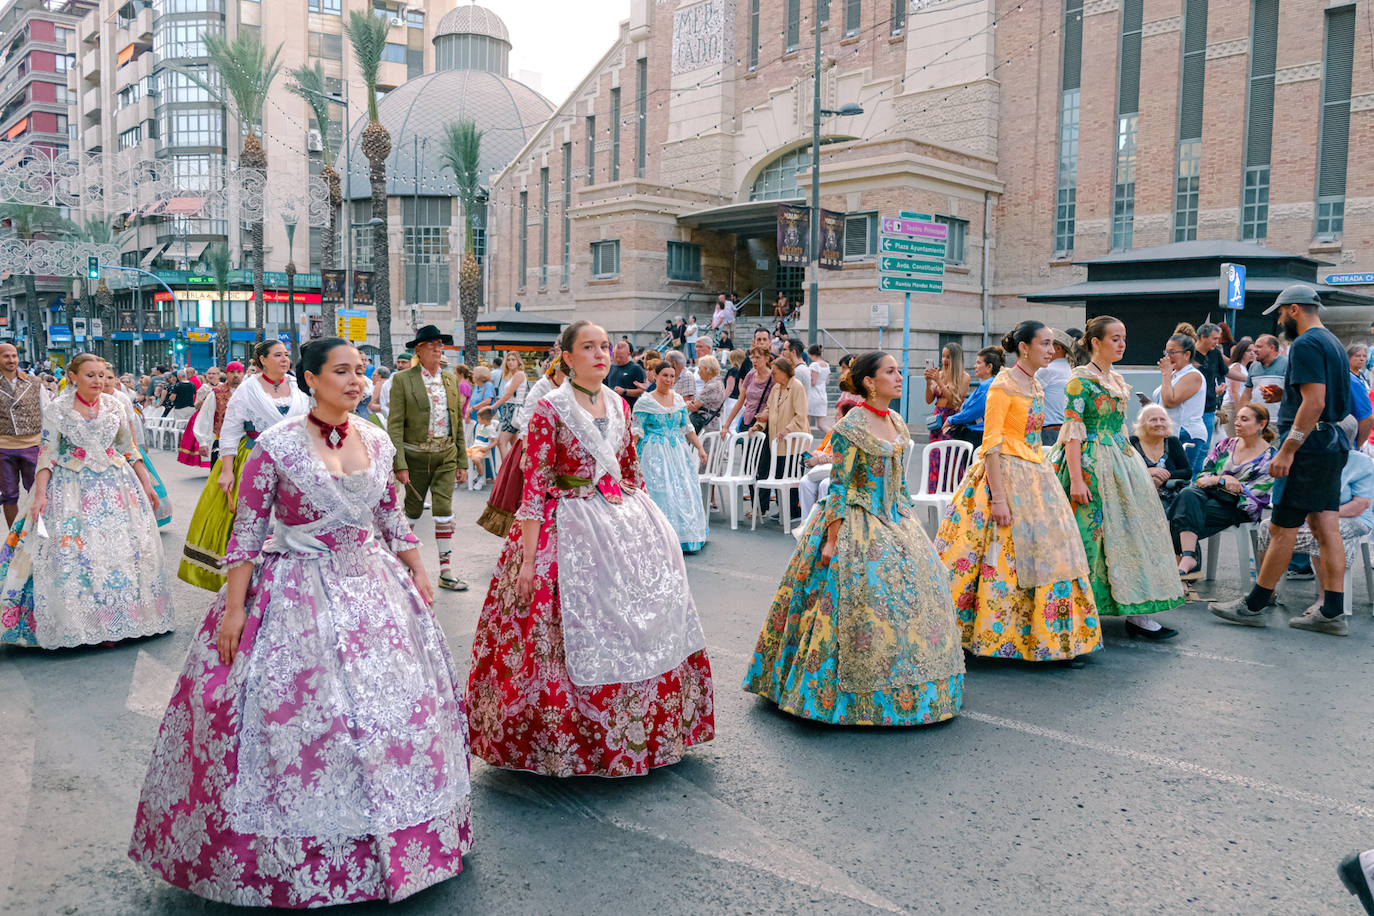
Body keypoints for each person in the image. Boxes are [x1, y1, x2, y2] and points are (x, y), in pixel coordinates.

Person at [128, 338, 472, 906]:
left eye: (360, 371)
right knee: (303, 719)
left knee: (388, 714)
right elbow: (246, 532)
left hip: (373, 589)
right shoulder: (275, 446)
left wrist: (417, 570)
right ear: (311, 379)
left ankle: (399, 837)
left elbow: (391, 517)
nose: (356, 381)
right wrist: (234, 609)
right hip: (293, 592)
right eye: (342, 371)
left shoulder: (379, 440)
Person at [467, 320, 714, 776]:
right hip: (567, 524)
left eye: (605, 346)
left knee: (644, 616)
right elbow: (535, 486)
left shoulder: (622, 404)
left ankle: (643, 728)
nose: (601, 354)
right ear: (567, 356)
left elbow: (629, 470)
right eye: (588, 347)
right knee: (558, 630)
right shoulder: (548, 409)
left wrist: (649, 528)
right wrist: (526, 558)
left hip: (620, 522)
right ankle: (565, 741)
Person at [743, 351, 964, 725]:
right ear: (869, 381)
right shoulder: (851, 426)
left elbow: (899, 485)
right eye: (890, 372)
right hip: (855, 521)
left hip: (893, 517)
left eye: (898, 371)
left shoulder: (896, 421)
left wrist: (910, 524)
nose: (899, 377)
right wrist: (831, 540)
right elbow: (841, 488)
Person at [935, 321, 1100, 666]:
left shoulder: (1035, 383)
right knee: (1002, 558)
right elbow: (991, 444)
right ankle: (991, 637)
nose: (1050, 350)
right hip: (1004, 475)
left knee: (1049, 554)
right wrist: (998, 498)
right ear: (1024, 347)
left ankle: (1046, 638)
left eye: (1052, 344)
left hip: (1036, 474)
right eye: (1044, 343)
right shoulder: (1003, 385)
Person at [0, 353, 172, 649]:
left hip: (117, 486)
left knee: (119, 554)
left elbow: (128, 449)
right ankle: (81, 624)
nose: (98, 381)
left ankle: (120, 620)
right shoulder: (58, 409)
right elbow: (48, 452)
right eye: (90, 375)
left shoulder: (115, 404)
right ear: (73, 376)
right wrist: (39, 495)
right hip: (71, 489)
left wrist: (147, 482)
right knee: (77, 556)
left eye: (102, 374)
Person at [1212, 285, 1355, 635]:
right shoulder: (1333, 342)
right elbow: (1325, 399)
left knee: (1281, 527)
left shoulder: (1306, 343)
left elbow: (1315, 402)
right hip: (1330, 441)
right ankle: (1332, 611)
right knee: (1325, 527)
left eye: (1279, 313)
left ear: (1294, 309)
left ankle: (1253, 606)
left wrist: (1288, 450)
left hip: (1307, 446)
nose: (1279, 320)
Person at [1048, 317, 1184, 640]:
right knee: (1088, 537)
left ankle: (1138, 613)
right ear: (1095, 342)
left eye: (1124, 338)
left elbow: (1119, 427)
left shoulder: (1117, 380)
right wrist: (1078, 479)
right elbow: (1072, 433)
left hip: (1121, 463)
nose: (1122, 344)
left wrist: (1134, 464)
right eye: (1115, 339)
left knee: (1132, 534)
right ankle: (1078, 616)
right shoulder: (1080, 382)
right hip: (1090, 463)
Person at [179, 341, 310, 591]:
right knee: (253, 522)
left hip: (295, 462)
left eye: (286, 355)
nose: (284, 359)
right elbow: (229, 431)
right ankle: (249, 583)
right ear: (262, 360)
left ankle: (287, 580)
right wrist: (227, 470)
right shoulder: (248, 389)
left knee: (292, 521)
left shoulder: (297, 386)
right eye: (277, 355)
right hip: (255, 458)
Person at [388, 325, 470, 592]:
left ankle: (446, 570)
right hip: (415, 456)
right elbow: (395, 425)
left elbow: (456, 422)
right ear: (419, 350)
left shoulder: (450, 380)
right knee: (411, 511)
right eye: (432, 344)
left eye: (440, 344)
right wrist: (399, 463)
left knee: (444, 511)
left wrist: (461, 462)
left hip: (445, 454)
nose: (438, 348)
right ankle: (401, 567)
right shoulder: (403, 380)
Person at [1169, 403, 1277, 579]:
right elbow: (1202, 477)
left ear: (1261, 424)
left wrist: (1217, 481)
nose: (1237, 423)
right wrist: (1223, 480)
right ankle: (1188, 558)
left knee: (1180, 511)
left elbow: (1253, 496)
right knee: (1188, 495)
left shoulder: (1270, 457)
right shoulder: (1225, 445)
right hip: (1207, 497)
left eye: (1244, 419)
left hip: (1238, 508)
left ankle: (1183, 563)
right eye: (1237, 418)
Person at [1264, 431, 1373, 593]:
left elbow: (1360, 505)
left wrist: (1320, 515)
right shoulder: (1317, 458)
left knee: (1323, 530)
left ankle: (1326, 598)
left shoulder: (1362, 463)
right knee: (1268, 526)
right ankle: (1266, 591)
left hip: (1355, 518)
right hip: (1316, 512)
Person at [477, 352, 565, 538]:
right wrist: (526, 448)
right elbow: (528, 416)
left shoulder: (571, 386)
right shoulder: (542, 385)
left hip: (561, 445)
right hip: (537, 442)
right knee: (524, 491)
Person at [634, 361, 710, 552]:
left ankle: (687, 534)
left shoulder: (677, 400)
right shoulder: (645, 402)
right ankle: (662, 536)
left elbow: (687, 428)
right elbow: (636, 432)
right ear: (656, 377)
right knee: (661, 492)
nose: (668, 380)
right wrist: (630, 457)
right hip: (654, 453)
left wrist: (700, 448)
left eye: (672, 376)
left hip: (678, 452)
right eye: (665, 376)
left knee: (684, 490)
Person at [752, 355, 810, 522]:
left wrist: (787, 430)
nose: (773, 376)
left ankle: (794, 511)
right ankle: (783, 508)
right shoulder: (776, 388)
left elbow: (801, 415)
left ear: (785, 372)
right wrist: (760, 422)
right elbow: (769, 409)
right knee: (778, 474)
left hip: (793, 442)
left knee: (792, 475)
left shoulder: (797, 387)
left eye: (775, 373)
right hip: (777, 441)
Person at [0, 342, 43, 527]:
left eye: (14, 356)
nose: (11, 360)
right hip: (4, 448)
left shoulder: (34, 383)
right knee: (9, 494)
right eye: (6, 356)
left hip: (32, 445)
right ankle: (14, 537)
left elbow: (46, 411)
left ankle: (36, 532)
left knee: (36, 491)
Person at [1153, 333, 1208, 468]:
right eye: (1166, 352)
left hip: (1187, 433)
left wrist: (1165, 374)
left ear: (1187, 354)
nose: (1167, 356)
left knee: (1183, 479)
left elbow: (1170, 401)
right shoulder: (1175, 374)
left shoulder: (1193, 375)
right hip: (1171, 432)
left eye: (1172, 352)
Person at [1130, 403, 1192, 514]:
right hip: (1138, 497)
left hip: (1169, 498)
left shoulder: (1173, 442)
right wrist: (1148, 472)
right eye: (1153, 420)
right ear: (1143, 424)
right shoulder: (1132, 443)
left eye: (1163, 420)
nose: (1159, 424)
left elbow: (1187, 472)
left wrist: (1164, 475)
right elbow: (1125, 470)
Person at [924, 342, 970, 489]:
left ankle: (950, 495)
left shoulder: (964, 377)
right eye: (943, 356)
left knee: (951, 459)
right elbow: (929, 400)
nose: (944, 360)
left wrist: (938, 381)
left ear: (956, 359)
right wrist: (928, 382)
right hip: (937, 420)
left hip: (951, 422)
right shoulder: (940, 374)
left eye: (948, 357)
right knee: (935, 458)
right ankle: (935, 491)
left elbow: (955, 402)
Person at [943, 346, 1003, 451]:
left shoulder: (986, 386)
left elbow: (972, 412)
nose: (975, 366)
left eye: (979, 363)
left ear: (989, 367)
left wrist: (951, 420)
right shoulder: (991, 384)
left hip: (976, 435)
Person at [191, 360, 245, 467]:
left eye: (239, 372)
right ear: (226, 374)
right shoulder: (216, 393)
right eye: (232, 372)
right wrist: (203, 442)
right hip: (222, 442)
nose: (236, 375)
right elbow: (205, 417)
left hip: (245, 443)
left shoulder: (249, 392)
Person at [1193, 321, 1226, 462]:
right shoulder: (1189, 355)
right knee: (1193, 445)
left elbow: (1225, 372)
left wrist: (1250, 379)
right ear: (1202, 337)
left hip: (1209, 408)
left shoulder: (1215, 354)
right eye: (1214, 338)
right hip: (1192, 410)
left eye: (1218, 339)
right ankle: (1189, 478)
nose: (1217, 342)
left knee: (1205, 447)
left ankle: (1196, 478)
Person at [1036, 329, 1074, 446]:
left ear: (1058, 348)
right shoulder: (1070, 370)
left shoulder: (1048, 370)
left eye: (1048, 345)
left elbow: (1024, 391)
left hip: (1049, 432)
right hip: (1067, 431)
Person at [491, 352, 529, 459]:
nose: (510, 362)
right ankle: (517, 472)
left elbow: (508, 394)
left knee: (501, 442)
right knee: (515, 446)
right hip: (511, 410)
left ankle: (506, 472)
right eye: (508, 360)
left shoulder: (519, 374)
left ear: (518, 361)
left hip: (513, 411)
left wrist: (493, 407)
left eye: (513, 359)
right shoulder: (514, 375)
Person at [1237, 333, 1287, 410]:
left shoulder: (1287, 364)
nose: (1255, 350)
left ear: (1272, 348)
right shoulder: (1254, 366)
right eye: (1255, 346)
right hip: (1257, 419)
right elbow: (1247, 393)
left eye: (1259, 347)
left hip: (1278, 419)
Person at [1217, 338, 1255, 436]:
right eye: (1248, 351)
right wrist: (1240, 414)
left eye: (1253, 351)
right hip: (1233, 407)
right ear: (1241, 352)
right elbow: (1234, 392)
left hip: (1238, 406)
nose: (1252, 353)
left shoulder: (1244, 368)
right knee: (1231, 440)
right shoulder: (1237, 366)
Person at [687, 355, 726, 435]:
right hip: (711, 423)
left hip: (706, 427)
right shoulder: (718, 383)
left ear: (706, 369)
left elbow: (694, 407)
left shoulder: (712, 386)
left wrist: (688, 403)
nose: (698, 372)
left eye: (700, 368)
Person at [1347, 342, 1374, 448]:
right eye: (1357, 356)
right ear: (1349, 358)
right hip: (1356, 421)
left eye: (1364, 356)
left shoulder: (1362, 376)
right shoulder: (1349, 378)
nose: (1361, 359)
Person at [606, 339, 647, 406]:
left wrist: (624, 391)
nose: (618, 359)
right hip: (613, 408)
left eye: (621, 357)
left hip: (629, 408)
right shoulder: (611, 367)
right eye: (616, 356)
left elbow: (642, 391)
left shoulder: (636, 369)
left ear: (628, 354)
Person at [468, 408, 497, 490]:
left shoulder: (490, 428)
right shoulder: (482, 426)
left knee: (476, 459)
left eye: (478, 418)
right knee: (461, 455)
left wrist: (486, 448)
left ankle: (481, 477)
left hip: (481, 449)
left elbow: (495, 441)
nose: (477, 420)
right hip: (474, 447)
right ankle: (474, 475)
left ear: (484, 419)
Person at [806, 343, 831, 431]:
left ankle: (806, 443)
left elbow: (813, 382)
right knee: (821, 424)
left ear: (810, 353)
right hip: (822, 396)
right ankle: (834, 438)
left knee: (806, 424)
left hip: (813, 396)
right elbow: (827, 381)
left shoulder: (814, 365)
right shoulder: (826, 365)